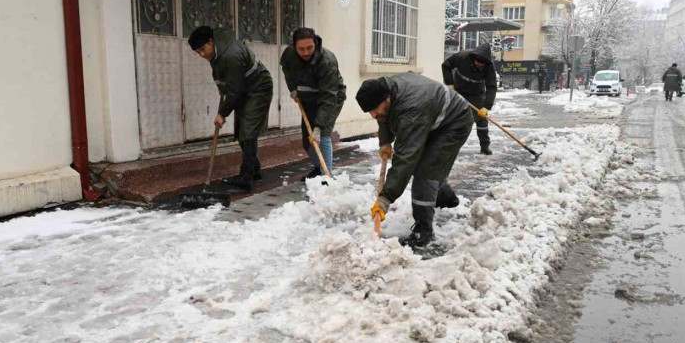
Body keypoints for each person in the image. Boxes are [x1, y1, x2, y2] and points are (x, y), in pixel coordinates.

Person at [357, 72, 473, 250]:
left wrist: (386, 197)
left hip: (454, 123)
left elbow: (405, 158)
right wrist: (385, 142)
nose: (373, 115)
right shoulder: (386, 91)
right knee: (428, 166)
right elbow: (384, 117)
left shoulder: (411, 109)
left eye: (374, 109)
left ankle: (423, 231)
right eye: (369, 111)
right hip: (432, 118)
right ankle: (446, 198)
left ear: (387, 98)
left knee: (425, 172)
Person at [188, 26, 273, 191]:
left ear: (211, 42)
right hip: (244, 89)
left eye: (203, 49)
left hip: (258, 88)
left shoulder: (230, 54)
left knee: (248, 130)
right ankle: (254, 170)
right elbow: (229, 81)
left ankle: (246, 177)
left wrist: (222, 113)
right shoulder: (218, 51)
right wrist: (223, 90)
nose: (202, 54)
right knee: (242, 129)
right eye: (197, 52)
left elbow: (236, 90)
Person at [280, 27, 346, 179]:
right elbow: (287, 69)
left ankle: (326, 176)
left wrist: (319, 127)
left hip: (331, 97)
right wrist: (293, 89)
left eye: (309, 47)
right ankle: (318, 169)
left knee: (322, 136)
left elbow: (328, 97)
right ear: (294, 46)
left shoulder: (326, 61)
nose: (305, 53)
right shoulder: (289, 54)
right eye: (301, 49)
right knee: (307, 141)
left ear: (315, 42)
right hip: (308, 98)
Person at [441, 43, 498, 155]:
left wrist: (486, 107)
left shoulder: (489, 67)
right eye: (477, 62)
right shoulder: (462, 56)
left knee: (482, 120)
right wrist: (449, 84)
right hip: (458, 90)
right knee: (453, 117)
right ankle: (448, 146)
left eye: (481, 64)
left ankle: (485, 146)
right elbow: (446, 65)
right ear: (473, 57)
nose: (478, 65)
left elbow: (491, 87)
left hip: (477, 94)